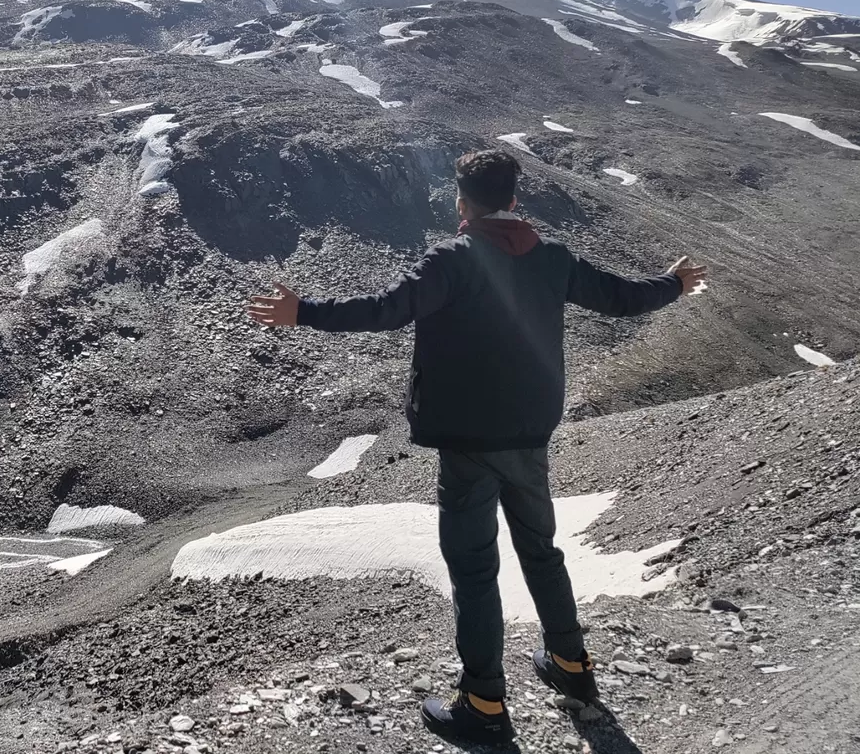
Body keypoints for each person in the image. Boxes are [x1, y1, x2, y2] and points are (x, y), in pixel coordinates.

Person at [247, 149, 706, 745]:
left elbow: (387, 310)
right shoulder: (553, 260)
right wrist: (673, 282)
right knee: (541, 550)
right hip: (529, 434)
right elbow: (622, 299)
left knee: (474, 569)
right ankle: (572, 667)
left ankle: (484, 703)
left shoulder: (452, 261)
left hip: (466, 441)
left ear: (461, 203)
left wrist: (301, 311)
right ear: (514, 200)